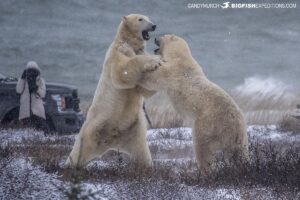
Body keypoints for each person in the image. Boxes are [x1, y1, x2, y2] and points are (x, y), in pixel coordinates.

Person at [16, 61, 49, 134]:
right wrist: (22, 78)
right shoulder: (23, 80)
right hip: (25, 110)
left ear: (37, 71)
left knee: (42, 128)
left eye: (33, 71)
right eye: (29, 71)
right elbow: (18, 90)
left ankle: (45, 139)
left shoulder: (40, 80)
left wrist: (36, 87)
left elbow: (43, 94)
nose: (31, 73)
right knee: (27, 131)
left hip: (37, 110)